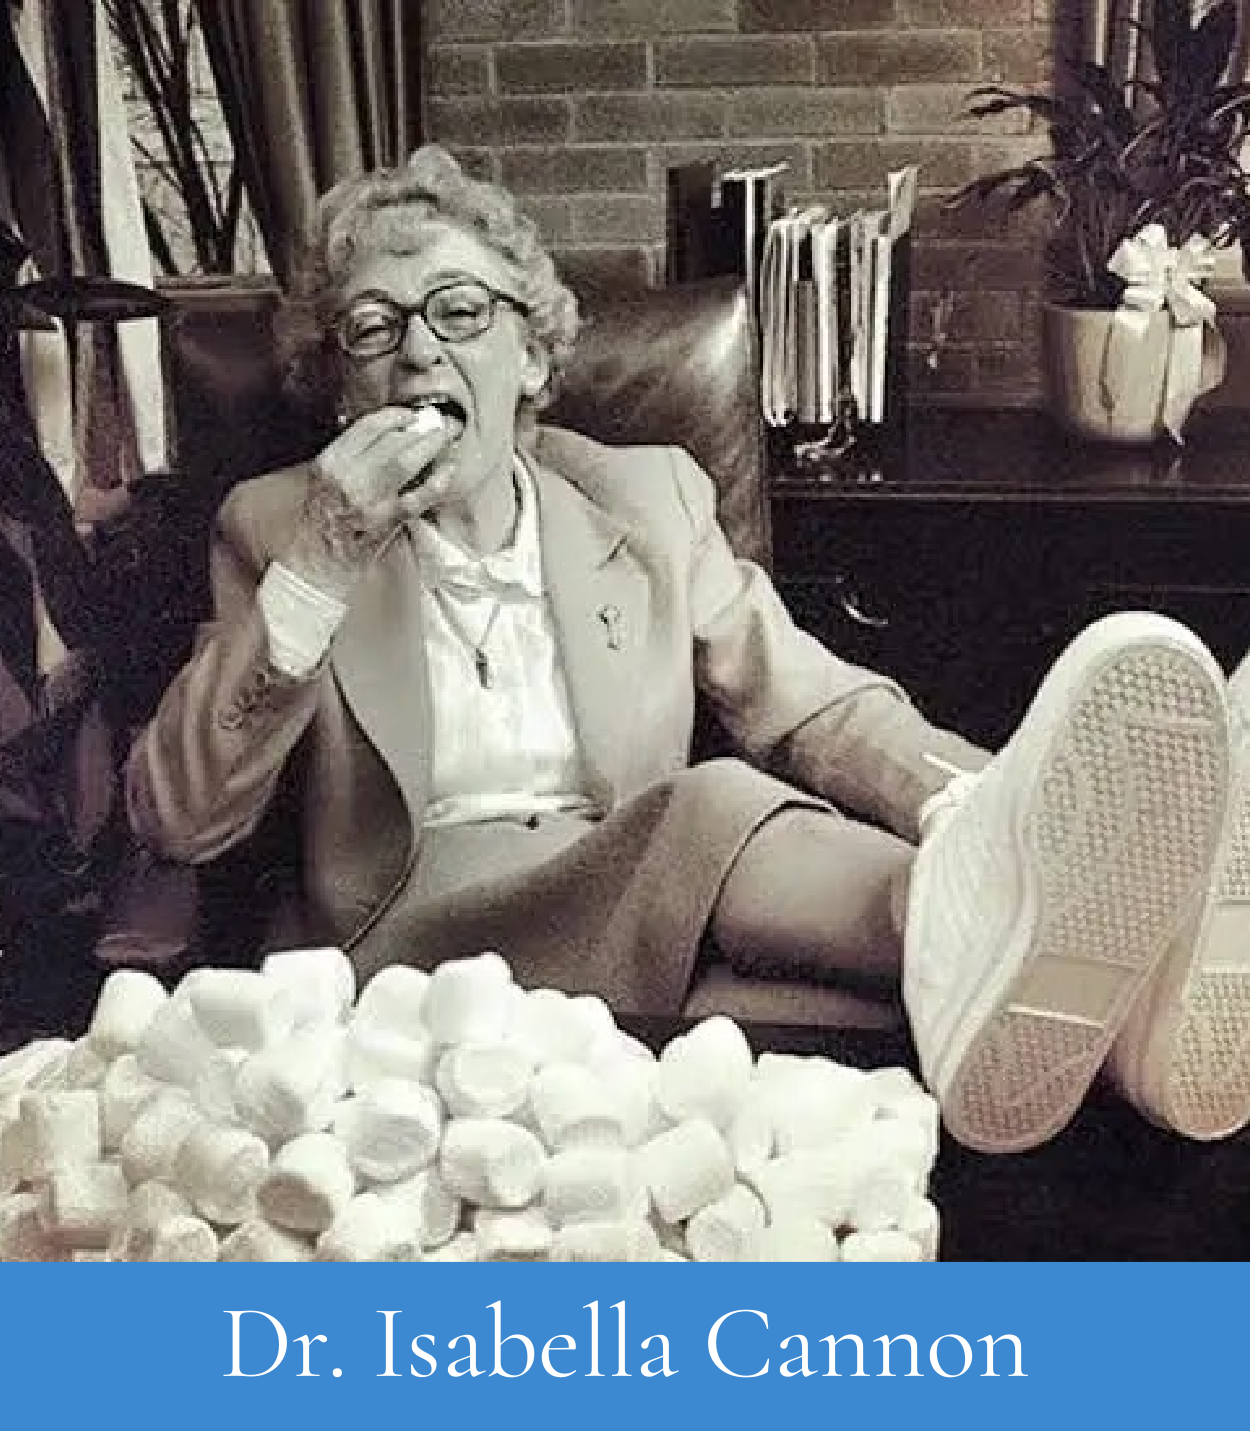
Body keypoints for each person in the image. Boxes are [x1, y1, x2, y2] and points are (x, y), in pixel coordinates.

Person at [125, 144, 1250, 1157]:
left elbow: (810, 703)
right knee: (715, 803)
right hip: (417, 964)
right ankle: (1003, 895)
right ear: (341, 391)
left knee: (882, 1021)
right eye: (374, 330)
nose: (419, 350)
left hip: (638, 935)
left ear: (531, 358)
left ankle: (1127, 1021)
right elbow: (179, 818)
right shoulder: (280, 528)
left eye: (459, 311)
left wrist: (980, 789)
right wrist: (324, 560)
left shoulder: (645, 497)